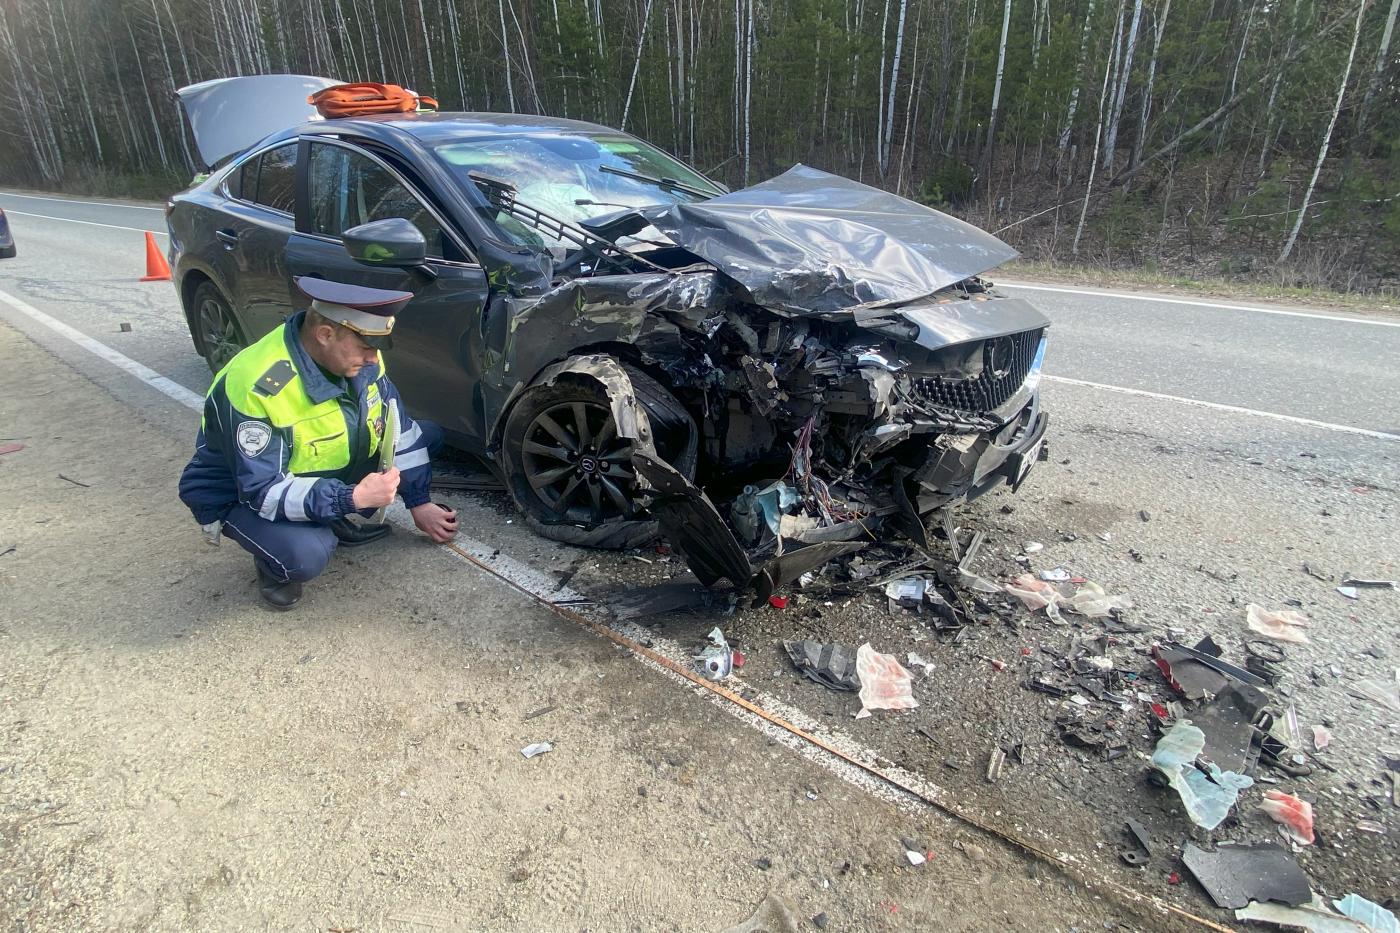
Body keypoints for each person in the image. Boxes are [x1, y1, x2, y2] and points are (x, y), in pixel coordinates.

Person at [178, 277, 458, 610]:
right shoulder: (259, 386)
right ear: (325, 334)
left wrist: (419, 501)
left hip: (314, 465)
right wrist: (350, 498)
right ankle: (274, 564)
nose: (373, 358)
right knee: (307, 553)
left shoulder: (363, 360)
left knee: (428, 436)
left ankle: (328, 513)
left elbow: (400, 428)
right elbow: (263, 491)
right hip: (240, 493)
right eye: (367, 346)